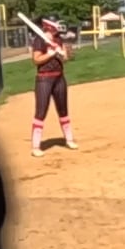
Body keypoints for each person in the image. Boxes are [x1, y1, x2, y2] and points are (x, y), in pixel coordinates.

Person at [29, 16, 76, 158]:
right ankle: (36, 147)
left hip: (59, 77)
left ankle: (69, 140)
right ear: (49, 26)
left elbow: (65, 59)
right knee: (41, 111)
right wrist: (50, 54)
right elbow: (36, 60)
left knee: (63, 110)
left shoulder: (58, 39)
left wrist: (64, 53)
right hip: (44, 79)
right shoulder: (39, 40)